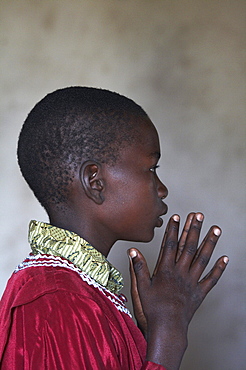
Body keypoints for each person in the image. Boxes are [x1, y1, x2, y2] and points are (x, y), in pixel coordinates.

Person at [0, 87, 228, 370]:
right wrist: (169, 335)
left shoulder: (76, 291)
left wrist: (147, 338)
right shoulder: (58, 302)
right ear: (95, 182)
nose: (162, 189)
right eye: (151, 168)